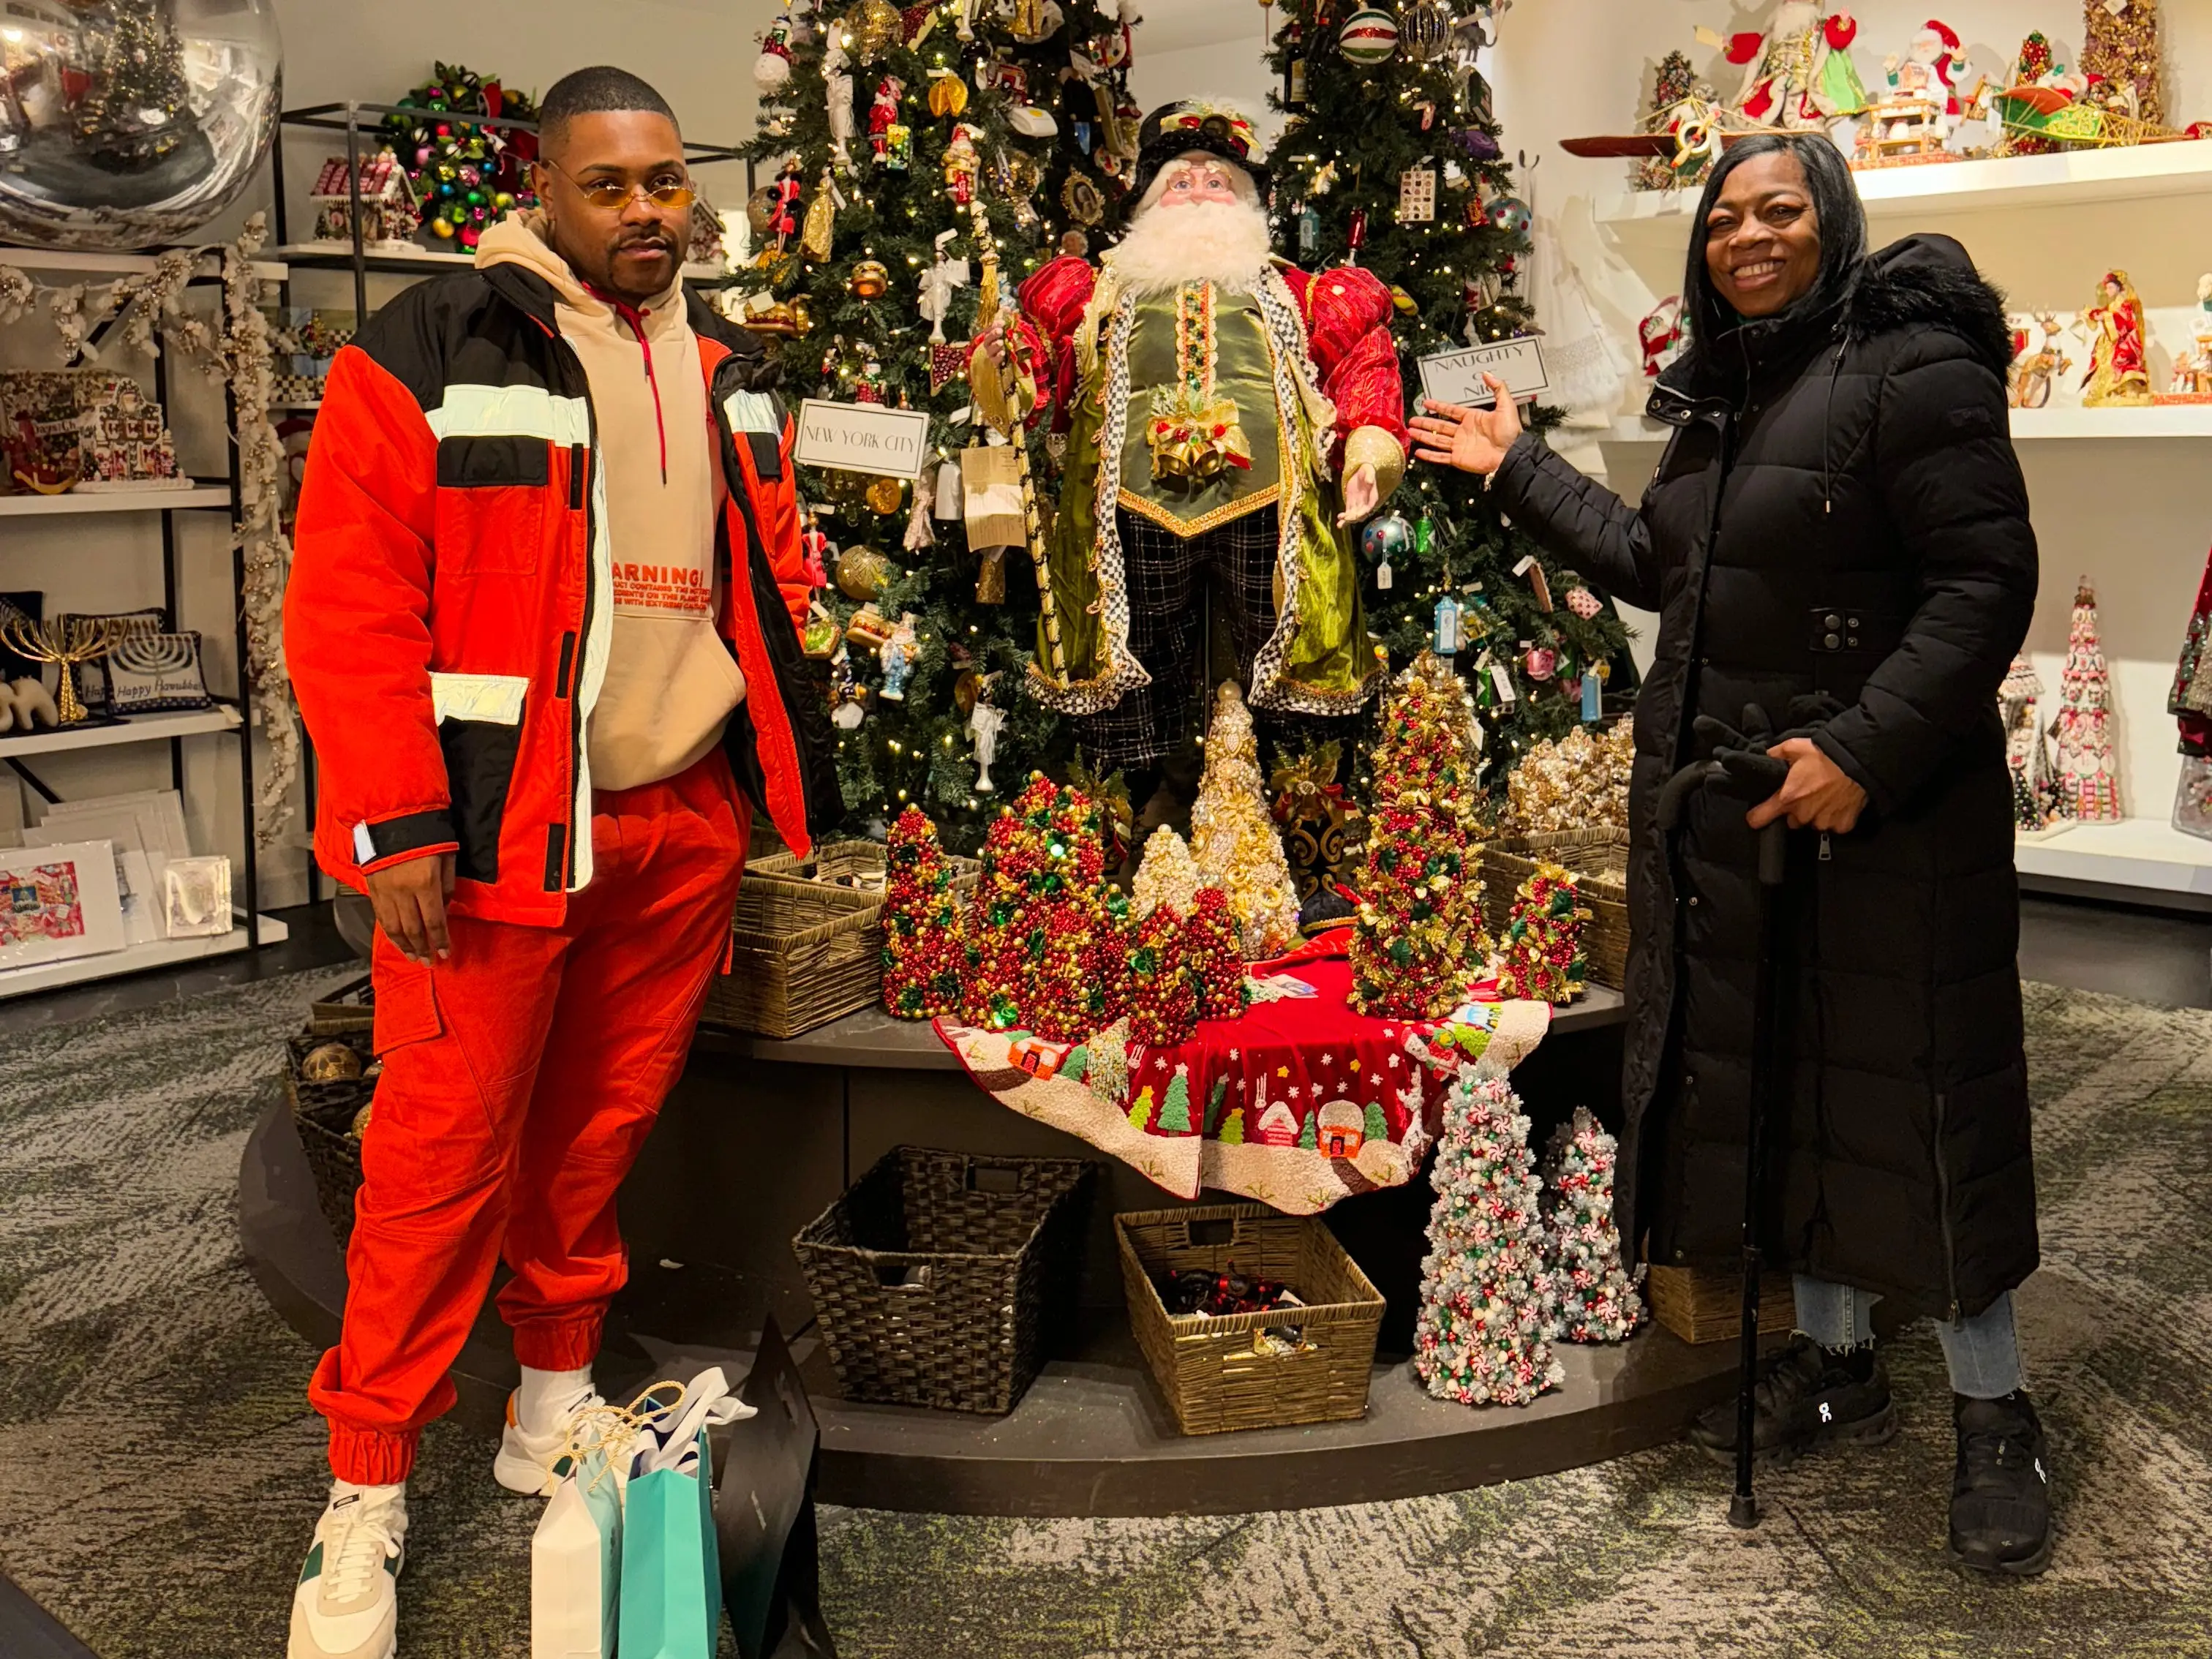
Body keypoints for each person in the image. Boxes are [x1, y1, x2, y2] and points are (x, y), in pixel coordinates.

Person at [1411, 132, 2050, 1575]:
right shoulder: (1722, 395)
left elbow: (1982, 580)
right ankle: (1838, 1362)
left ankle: (1998, 1413)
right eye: (1725, 218)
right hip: (1749, 818)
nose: (1747, 235)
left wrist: (1866, 750)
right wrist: (1519, 467)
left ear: (1832, 221)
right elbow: (1666, 570)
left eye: (1779, 211)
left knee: (1920, 1102)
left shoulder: (1915, 363)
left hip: (1887, 822)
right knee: (1788, 1089)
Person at [281, 65, 837, 1658]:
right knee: (437, 1158)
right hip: (490, 836)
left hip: (675, 821)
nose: (649, 213)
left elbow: (757, 555)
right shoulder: (427, 355)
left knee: (595, 1132)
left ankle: (549, 1400)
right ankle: (366, 1486)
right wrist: (391, 821)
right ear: (545, 190)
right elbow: (349, 607)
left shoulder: (732, 363)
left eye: (667, 183)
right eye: (611, 188)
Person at [981, 100, 1406, 818]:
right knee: (1136, 673)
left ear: (1245, 200)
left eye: (1218, 183)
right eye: (1183, 183)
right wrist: (1003, 366)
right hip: (1127, 514)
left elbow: (1364, 366)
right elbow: (1036, 382)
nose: (1201, 195)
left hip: (1270, 513)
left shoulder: (1303, 294)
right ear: (1149, 199)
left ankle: (1298, 831)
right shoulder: (1089, 294)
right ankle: (1136, 828)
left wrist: (1369, 449)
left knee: (1289, 669)